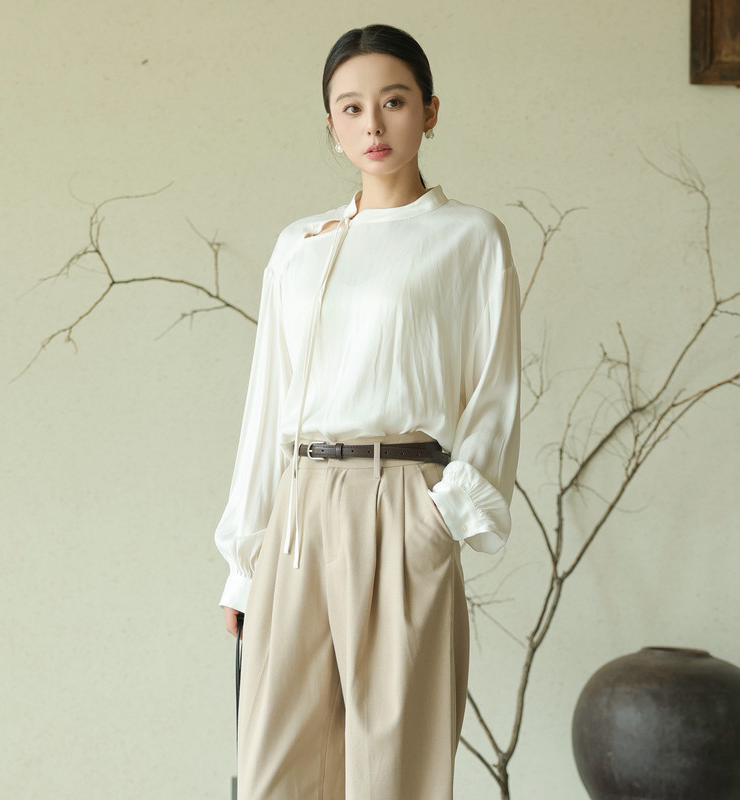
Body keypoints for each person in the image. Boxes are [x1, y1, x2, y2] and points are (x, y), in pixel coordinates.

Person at [214, 23, 521, 800]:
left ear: (430, 111)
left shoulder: (468, 237)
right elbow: (268, 405)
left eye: (394, 101)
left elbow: (494, 392)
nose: (373, 124)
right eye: (351, 108)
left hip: (403, 501)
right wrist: (242, 564)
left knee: (393, 772)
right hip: (297, 513)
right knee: (277, 771)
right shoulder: (298, 244)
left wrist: (441, 517)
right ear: (331, 124)